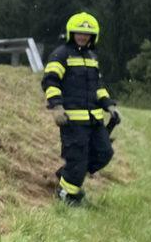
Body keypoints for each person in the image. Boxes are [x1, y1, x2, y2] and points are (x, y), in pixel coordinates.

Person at [41, 12, 120, 205]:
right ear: (71, 33)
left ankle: (67, 177)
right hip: (72, 121)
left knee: (104, 153)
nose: (83, 37)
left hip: (94, 120)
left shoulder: (92, 57)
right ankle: (67, 196)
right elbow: (50, 81)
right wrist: (57, 107)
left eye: (87, 34)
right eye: (79, 33)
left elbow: (98, 86)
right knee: (78, 161)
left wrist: (109, 105)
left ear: (93, 36)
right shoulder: (61, 54)